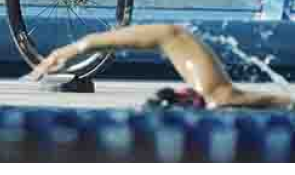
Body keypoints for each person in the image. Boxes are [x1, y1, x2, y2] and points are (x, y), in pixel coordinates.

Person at [30, 25, 295, 110]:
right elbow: (171, 35)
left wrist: (79, 47)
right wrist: (78, 47)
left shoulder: (217, 99)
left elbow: (170, 35)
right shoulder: (219, 100)